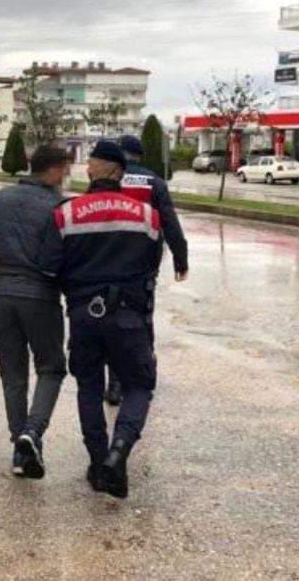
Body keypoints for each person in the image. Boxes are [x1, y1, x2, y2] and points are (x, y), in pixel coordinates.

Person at [38, 140, 165, 498]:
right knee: (139, 386)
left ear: (95, 170)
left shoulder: (66, 214)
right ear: (121, 173)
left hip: (84, 315)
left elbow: (49, 268)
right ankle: (119, 451)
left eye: (90, 163)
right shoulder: (146, 215)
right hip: (129, 316)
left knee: (89, 387)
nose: (87, 168)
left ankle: (98, 463)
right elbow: (151, 266)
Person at [0, 146, 70, 479]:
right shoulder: (58, 206)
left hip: (2, 292)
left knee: (12, 373)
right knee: (52, 367)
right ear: (57, 169)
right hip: (41, 296)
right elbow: (62, 257)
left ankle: (20, 452)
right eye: (65, 171)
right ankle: (32, 432)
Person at [102, 135, 189, 406]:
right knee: (143, 312)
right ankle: (142, 374)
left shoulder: (109, 177)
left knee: (112, 315)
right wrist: (180, 259)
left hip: (108, 256)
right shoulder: (155, 182)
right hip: (144, 258)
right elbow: (170, 223)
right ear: (140, 155)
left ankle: (114, 384)